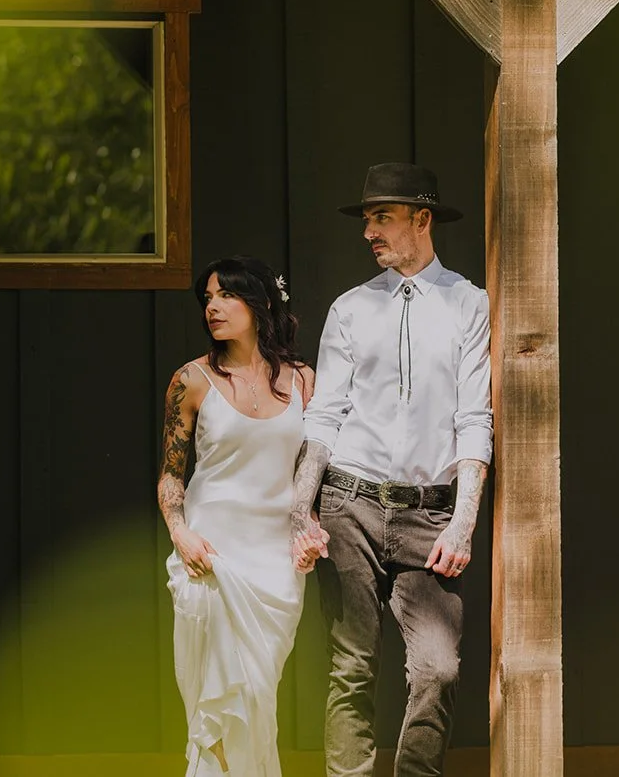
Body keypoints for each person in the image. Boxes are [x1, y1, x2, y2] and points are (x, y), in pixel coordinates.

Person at [288, 163, 493, 777]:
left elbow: (475, 418)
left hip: (430, 513)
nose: (368, 231)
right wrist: (302, 508)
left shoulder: (468, 303)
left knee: (438, 667)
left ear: (421, 220)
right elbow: (324, 416)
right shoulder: (351, 309)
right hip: (348, 503)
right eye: (367, 219)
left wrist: (463, 524)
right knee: (352, 666)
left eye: (382, 218)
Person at [158, 256, 319, 777]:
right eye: (207, 297)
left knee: (256, 694)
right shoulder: (191, 380)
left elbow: (309, 471)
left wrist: (308, 525)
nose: (213, 306)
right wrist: (181, 535)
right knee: (215, 706)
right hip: (212, 554)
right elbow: (170, 477)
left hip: (275, 563)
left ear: (260, 303)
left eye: (226, 295)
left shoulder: (303, 381)